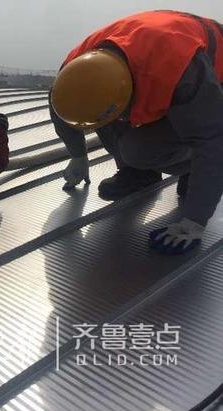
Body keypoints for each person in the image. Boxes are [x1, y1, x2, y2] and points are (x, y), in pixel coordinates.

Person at [49, 10, 223, 255]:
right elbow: (61, 108)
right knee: (113, 127)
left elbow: (212, 140)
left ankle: (191, 168)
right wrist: (78, 155)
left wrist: (194, 220)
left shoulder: (178, 70)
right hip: (157, 58)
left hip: (211, 78)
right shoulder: (75, 72)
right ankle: (138, 173)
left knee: (140, 150)